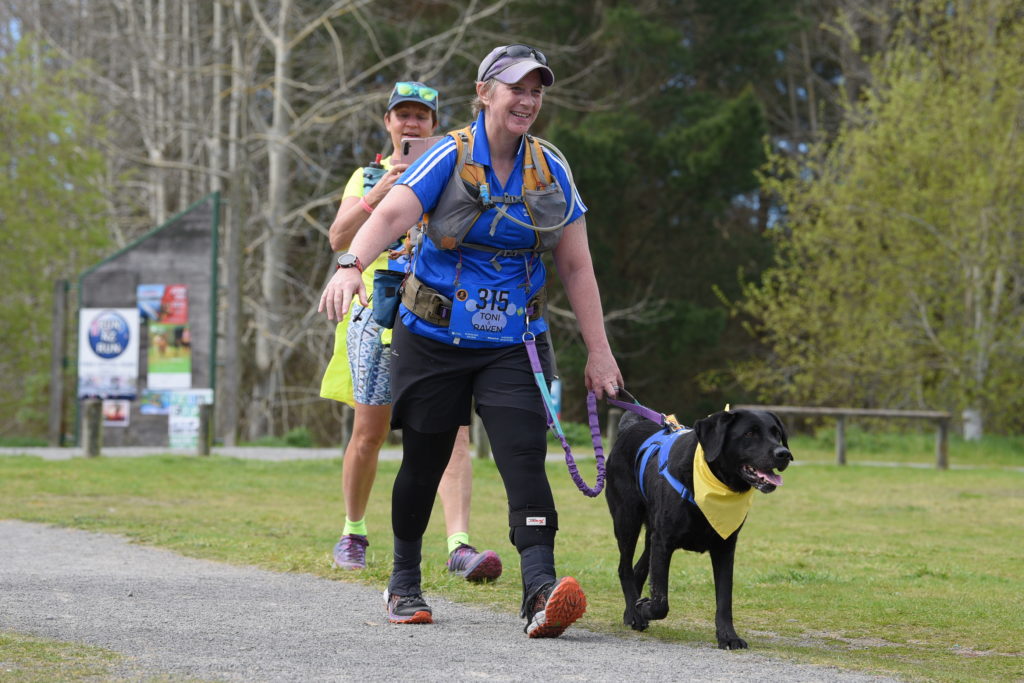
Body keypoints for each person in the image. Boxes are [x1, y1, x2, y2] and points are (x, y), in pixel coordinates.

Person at [319, 47, 623, 637]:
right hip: (432, 337)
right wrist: (351, 262)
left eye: (537, 90)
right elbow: (391, 216)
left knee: (522, 457)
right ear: (484, 93)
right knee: (425, 460)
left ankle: (540, 590)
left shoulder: (552, 168)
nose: (528, 100)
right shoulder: (448, 154)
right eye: (516, 88)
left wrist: (599, 350)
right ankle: (404, 581)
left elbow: (577, 267)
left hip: (515, 340)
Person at [320, 80, 502, 582]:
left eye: (421, 116)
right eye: (402, 115)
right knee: (370, 431)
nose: (411, 123)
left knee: (452, 431)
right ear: (387, 122)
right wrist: (378, 195)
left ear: (434, 123)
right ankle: (353, 530)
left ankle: (459, 544)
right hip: (377, 310)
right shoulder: (366, 175)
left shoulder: (449, 167)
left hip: (436, 311)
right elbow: (337, 239)